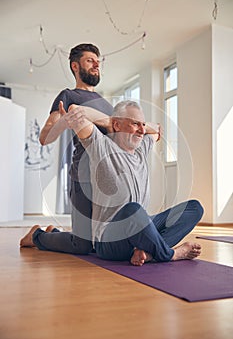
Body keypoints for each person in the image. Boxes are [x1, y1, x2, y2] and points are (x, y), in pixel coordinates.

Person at [20, 101, 203, 266]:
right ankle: (171, 254)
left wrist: (139, 125)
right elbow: (76, 111)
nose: (141, 130)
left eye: (142, 125)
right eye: (134, 124)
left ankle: (148, 253)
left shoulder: (141, 149)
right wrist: (110, 122)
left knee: (194, 208)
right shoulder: (101, 146)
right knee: (133, 210)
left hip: (138, 225)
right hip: (109, 238)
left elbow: (157, 130)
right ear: (116, 124)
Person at [39, 43, 113, 253]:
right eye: (90, 60)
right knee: (82, 245)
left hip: (106, 177)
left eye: (98, 61)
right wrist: (63, 122)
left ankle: (53, 232)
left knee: (104, 239)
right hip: (83, 177)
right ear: (75, 66)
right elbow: (45, 138)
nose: (96, 64)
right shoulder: (68, 96)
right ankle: (38, 235)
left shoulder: (105, 103)